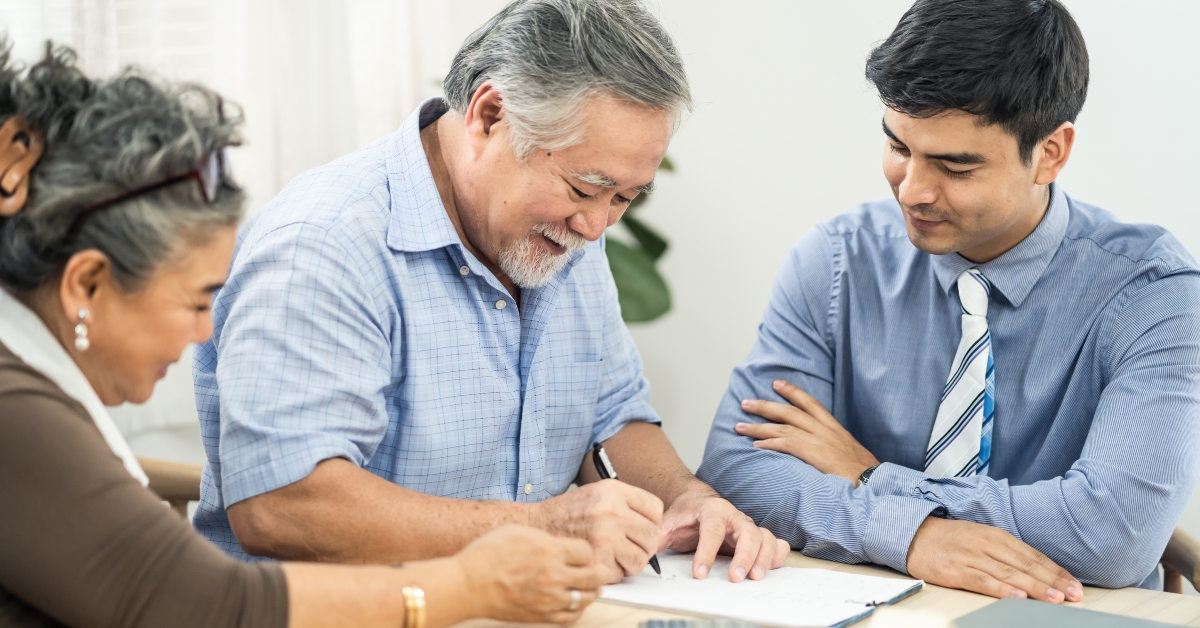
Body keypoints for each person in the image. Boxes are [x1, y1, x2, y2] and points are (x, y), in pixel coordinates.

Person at [0, 44, 609, 628]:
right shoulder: (17, 414)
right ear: (86, 285)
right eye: (196, 300)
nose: (207, 331)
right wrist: (470, 584)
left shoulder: (36, 394)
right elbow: (210, 606)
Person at [191, 0, 788, 583]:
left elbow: (612, 418)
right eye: (584, 189)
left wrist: (686, 497)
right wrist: (542, 527)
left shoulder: (570, 235)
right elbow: (282, 505)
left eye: (625, 198)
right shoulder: (324, 244)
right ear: (490, 114)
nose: (598, 226)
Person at [697, 0, 1200, 602]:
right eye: (898, 147)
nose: (912, 190)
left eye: (955, 167)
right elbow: (737, 468)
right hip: (858, 604)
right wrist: (913, 537)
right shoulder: (837, 261)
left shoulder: (1155, 296)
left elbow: (1112, 533)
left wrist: (870, 475)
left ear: (1051, 153)